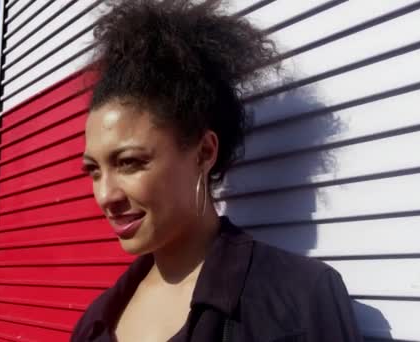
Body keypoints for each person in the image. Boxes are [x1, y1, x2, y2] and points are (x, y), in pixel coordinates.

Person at [73, 0, 363, 341]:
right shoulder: (93, 322)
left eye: (130, 162)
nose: (106, 195)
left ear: (205, 152)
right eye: (93, 170)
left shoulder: (300, 301)